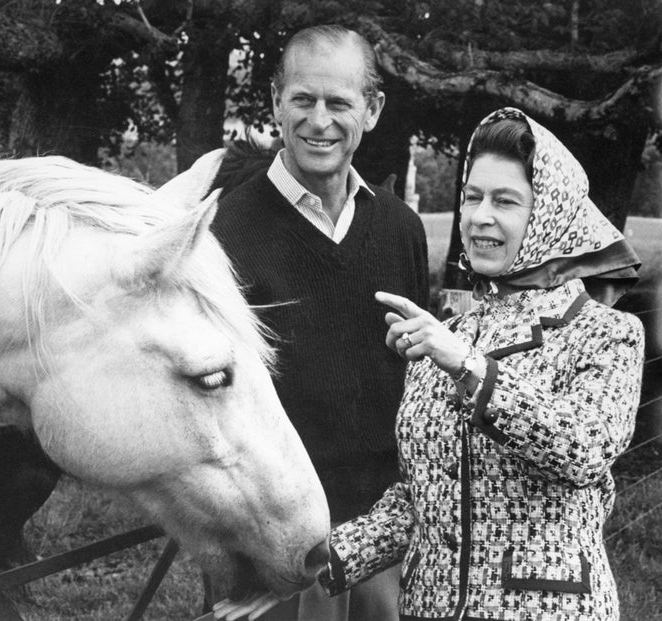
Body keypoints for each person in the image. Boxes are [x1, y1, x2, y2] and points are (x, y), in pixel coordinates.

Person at [215, 107, 644, 621]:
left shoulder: (606, 333)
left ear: (549, 214)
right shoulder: (445, 336)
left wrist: (466, 364)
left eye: (505, 201)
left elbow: (583, 449)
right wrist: (310, 566)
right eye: (472, 197)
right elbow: (421, 501)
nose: (480, 216)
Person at [210, 23, 430, 621]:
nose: (319, 120)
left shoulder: (400, 229)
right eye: (303, 100)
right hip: (277, 535)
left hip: (387, 526)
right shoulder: (228, 231)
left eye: (339, 102)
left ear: (374, 109)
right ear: (277, 103)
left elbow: (416, 380)